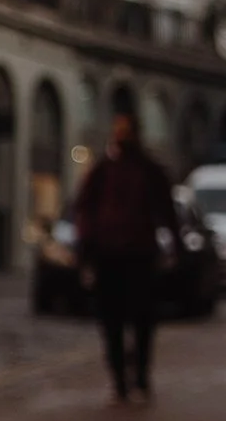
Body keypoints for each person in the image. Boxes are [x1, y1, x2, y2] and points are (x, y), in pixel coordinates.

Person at [73, 108, 175, 403]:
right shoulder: (103, 171)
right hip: (109, 257)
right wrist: (86, 249)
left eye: (125, 130)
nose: (121, 135)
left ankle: (140, 374)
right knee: (111, 321)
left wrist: (174, 246)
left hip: (140, 255)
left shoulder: (149, 170)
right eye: (118, 130)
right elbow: (85, 211)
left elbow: (166, 211)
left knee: (142, 320)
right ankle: (120, 378)